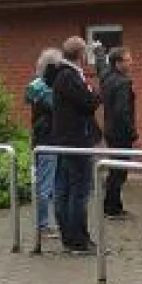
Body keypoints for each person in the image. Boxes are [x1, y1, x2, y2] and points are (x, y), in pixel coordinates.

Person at [50, 36, 102, 254]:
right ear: (81, 55)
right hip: (76, 141)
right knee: (77, 191)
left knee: (64, 190)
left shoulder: (63, 75)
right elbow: (89, 103)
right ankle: (77, 240)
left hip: (66, 140)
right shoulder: (69, 77)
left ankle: (70, 238)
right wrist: (94, 92)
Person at [96, 45, 138, 219]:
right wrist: (134, 135)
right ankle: (111, 208)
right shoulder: (122, 83)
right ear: (118, 62)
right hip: (121, 133)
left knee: (115, 169)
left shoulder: (106, 76)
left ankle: (114, 205)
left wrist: (99, 52)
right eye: (128, 60)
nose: (131, 63)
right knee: (119, 171)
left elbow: (100, 65)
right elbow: (123, 112)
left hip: (110, 129)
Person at [25, 47, 62, 237]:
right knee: (46, 184)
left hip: (40, 137)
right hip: (49, 138)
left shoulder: (34, 85)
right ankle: (43, 225)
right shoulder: (47, 89)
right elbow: (55, 110)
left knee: (47, 183)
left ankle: (48, 222)